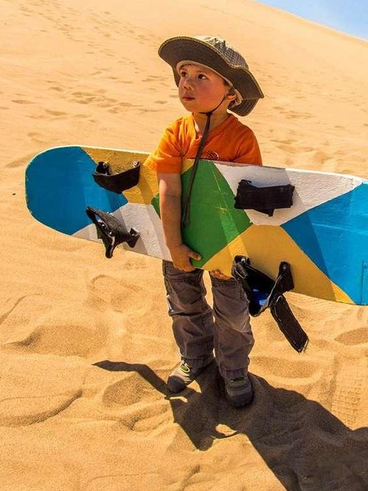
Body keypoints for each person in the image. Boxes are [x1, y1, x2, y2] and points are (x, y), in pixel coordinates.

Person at [144, 35, 265, 407]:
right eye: (183, 74)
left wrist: (231, 255)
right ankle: (195, 358)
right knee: (184, 304)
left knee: (232, 315)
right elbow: (169, 190)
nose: (187, 83)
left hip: (227, 248)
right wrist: (174, 245)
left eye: (202, 76)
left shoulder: (242, 139)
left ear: (231, 94)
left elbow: (246, 204)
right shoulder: (175, 133)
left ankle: (233, 369)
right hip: (179, 238)